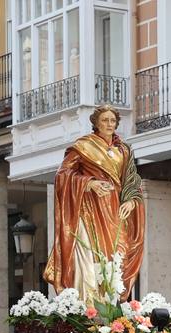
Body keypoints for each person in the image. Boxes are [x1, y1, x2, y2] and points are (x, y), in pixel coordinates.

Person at [42, 104, 145, 299]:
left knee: (117, 256)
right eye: (105, 120)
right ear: (96, 123)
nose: (109, 124)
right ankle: (88, 302)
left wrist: (131, 201)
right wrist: (89, 183)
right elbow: (63, 174)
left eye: (113, 120)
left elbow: (132, 181)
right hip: (89, 209)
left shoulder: (123, 150)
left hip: (114, 211)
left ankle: (109, 303)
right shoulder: (83, 146)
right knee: (88, 254)